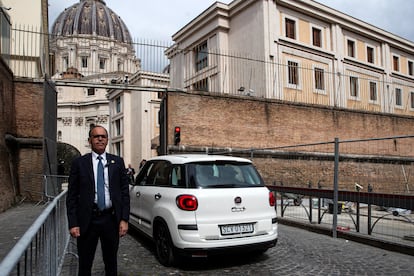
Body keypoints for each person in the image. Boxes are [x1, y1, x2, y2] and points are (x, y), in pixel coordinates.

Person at [66, 125, 130, 276]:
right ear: (90, 140)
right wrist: (73, 223)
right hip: (88, 220)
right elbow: (72, 196)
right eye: (96, 136)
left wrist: (124, 219)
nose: (100, 139)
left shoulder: (118, 162)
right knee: (85, 264)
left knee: (111, 262)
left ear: (107, 140)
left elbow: (124, 193)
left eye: (103, 136)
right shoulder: (79, 163)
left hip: (111, 219)